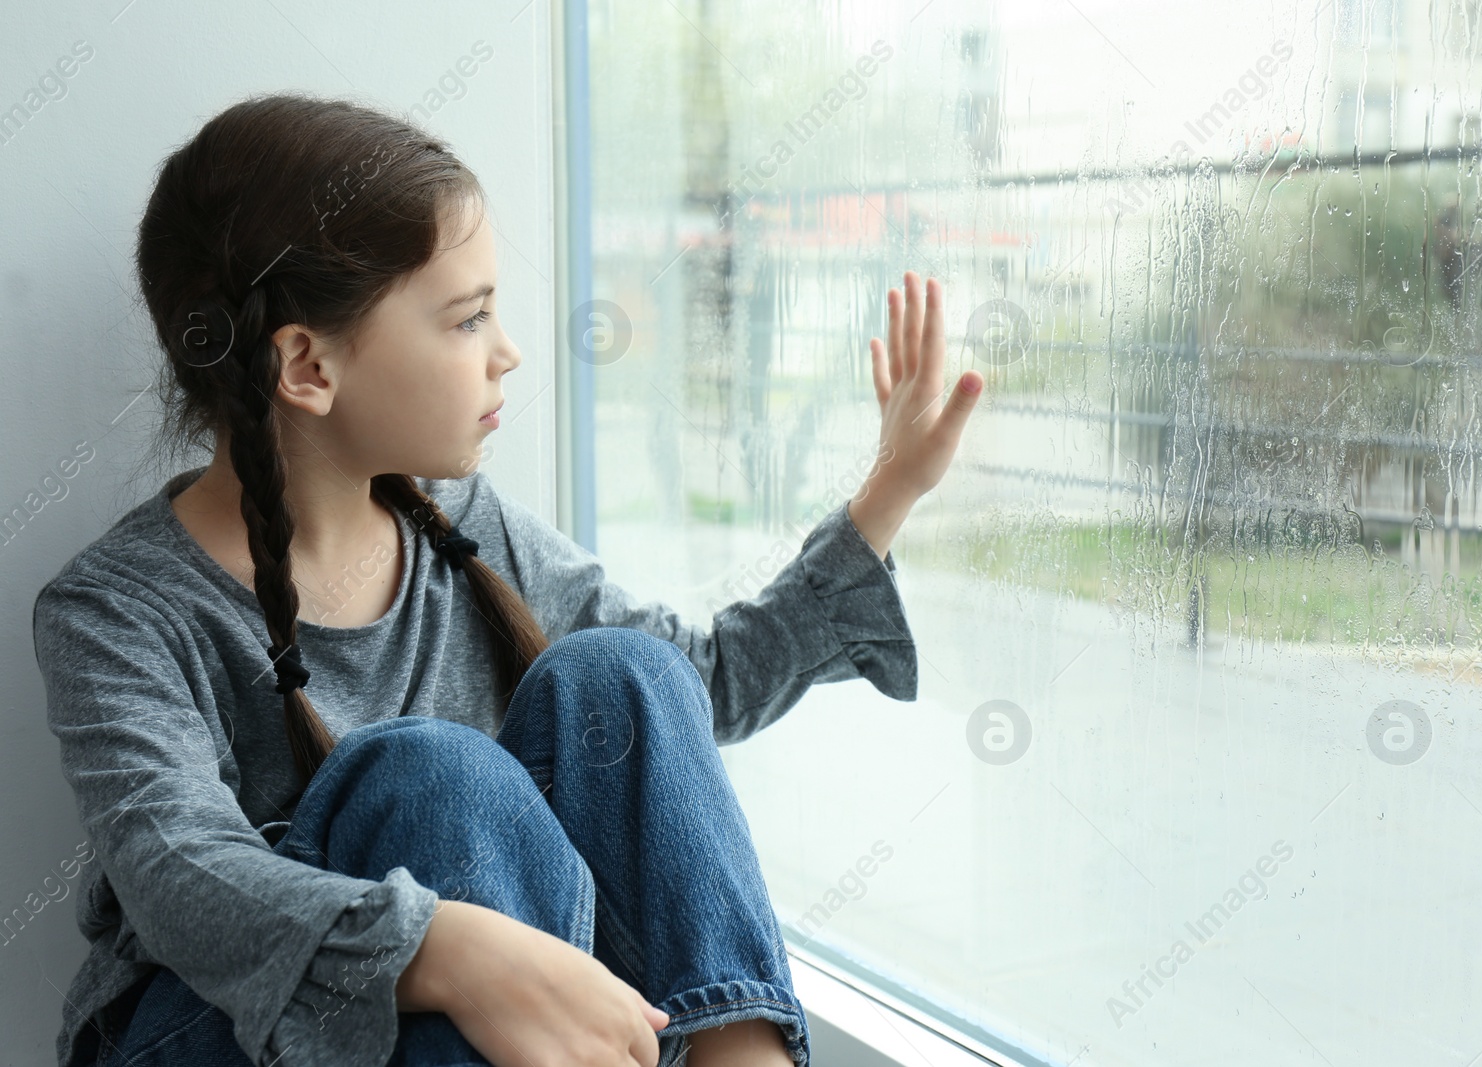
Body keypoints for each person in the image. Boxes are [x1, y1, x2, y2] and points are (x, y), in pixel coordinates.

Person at [31, 92, 984, 1067]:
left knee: (620, 675)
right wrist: (439, 945)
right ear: (308, 365)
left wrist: (887, 494)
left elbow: (698, 689)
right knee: (432, 774)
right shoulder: (117, 608)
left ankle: (747, 1055)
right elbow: (176, 868)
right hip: (213, 1031)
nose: (508, 351)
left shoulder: (458, 529)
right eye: (467, 317)